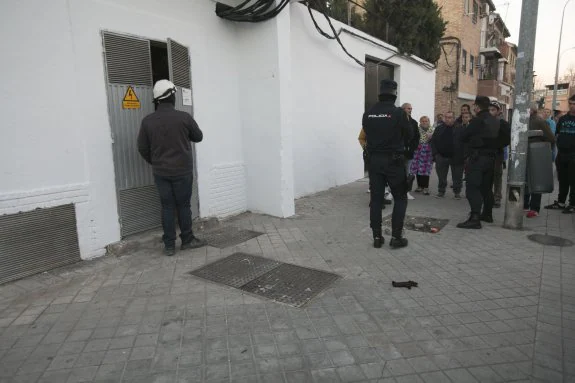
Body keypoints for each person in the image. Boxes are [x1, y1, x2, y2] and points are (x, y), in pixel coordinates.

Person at [137, 80, 205, 256]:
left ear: (157, 100)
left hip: (161, 172)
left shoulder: (147, 121)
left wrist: (156, 161)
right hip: (182, 171)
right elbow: (198, 137)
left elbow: (142, 148)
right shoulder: (184, 118)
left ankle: (169, 245)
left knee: (167, 207)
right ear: (172, 96)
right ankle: (187, 240)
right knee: (183, 206)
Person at [363, 80, 411, 249]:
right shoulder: (398, 113)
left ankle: (377, 237)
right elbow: (410, 134)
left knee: (376, 199)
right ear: (395, 94)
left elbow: (366, 135)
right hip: (394, 161)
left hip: (374, 161)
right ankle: (396, 237)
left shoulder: (368, 113)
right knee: (400, 198)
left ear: (380, 94)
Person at [457, 96, 502, 229]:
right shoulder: (495, 120)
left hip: (478, 159)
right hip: (491, 159)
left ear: (477, 106)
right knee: (486, 188)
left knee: (472, 187)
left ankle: (475, 218)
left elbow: (463, 136)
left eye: (475, 105)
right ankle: (487, 214)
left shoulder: (477, 120)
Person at [524, 104, 556, 218]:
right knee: (526, 180)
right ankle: (525, 205)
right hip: (525, 154)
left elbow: (551, 138)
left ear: (532, 110)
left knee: (536, 180)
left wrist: (540, 145)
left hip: (536, 153)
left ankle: (534, 208)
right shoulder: (524, 119)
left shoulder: (539, 121)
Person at [545, 94, 575, 214]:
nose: (572, 106)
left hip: (574, 155)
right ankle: (561, 202)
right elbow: (557, 135)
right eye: (571, 104)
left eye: (574, 104)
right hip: (562, 154)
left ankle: (572, 204)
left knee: (573, 180)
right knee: (563, 179)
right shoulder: (562, 119)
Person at [431, 111, 464, 198]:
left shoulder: (460, 128)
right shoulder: (439, 128)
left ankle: (457, 192)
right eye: (446, 117)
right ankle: (441, 191)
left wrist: (463, 155)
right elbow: (433, 141)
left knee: (457, 176)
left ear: (454, 118)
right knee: (441, 176)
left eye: (450, 117)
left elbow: (465, 143)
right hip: (441, 156)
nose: (447, 119)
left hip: (456, 157)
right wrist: (435, 154)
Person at [488, 101, 510, 208]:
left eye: (493, 110)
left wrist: (497, 144)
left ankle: (497, 198)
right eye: (489, 110)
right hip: (486, 153)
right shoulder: (485, 122)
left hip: (497, 153)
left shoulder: (503, 123)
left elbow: (507, 139)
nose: (491, 112)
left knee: (497, 176)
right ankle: (488, 197)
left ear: (498, 111)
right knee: (487, 176)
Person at [411, 116, 434, 195]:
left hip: (428, 152)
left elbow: (435, 141)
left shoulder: (433, 130)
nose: (424, 122)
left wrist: (431, 137)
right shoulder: (416, 130)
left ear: (429, 122)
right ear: (420, 122)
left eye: (426, 121)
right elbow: (413, 139)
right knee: (418, 169)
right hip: (418, 151)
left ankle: (426, 187)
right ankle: (419, 186)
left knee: (426, 170)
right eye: (423, 121)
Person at [402, 103, 420, 199]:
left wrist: (413, 147)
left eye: (411, 108)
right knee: (397, 173)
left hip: (409, 153)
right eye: (408, 108)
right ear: (403, 109)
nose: (410, 110)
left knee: (407, 173)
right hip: (399, 152)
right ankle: (392, 192)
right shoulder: (397, 121)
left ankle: (406, 191)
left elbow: (417, 137)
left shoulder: (414, 122)